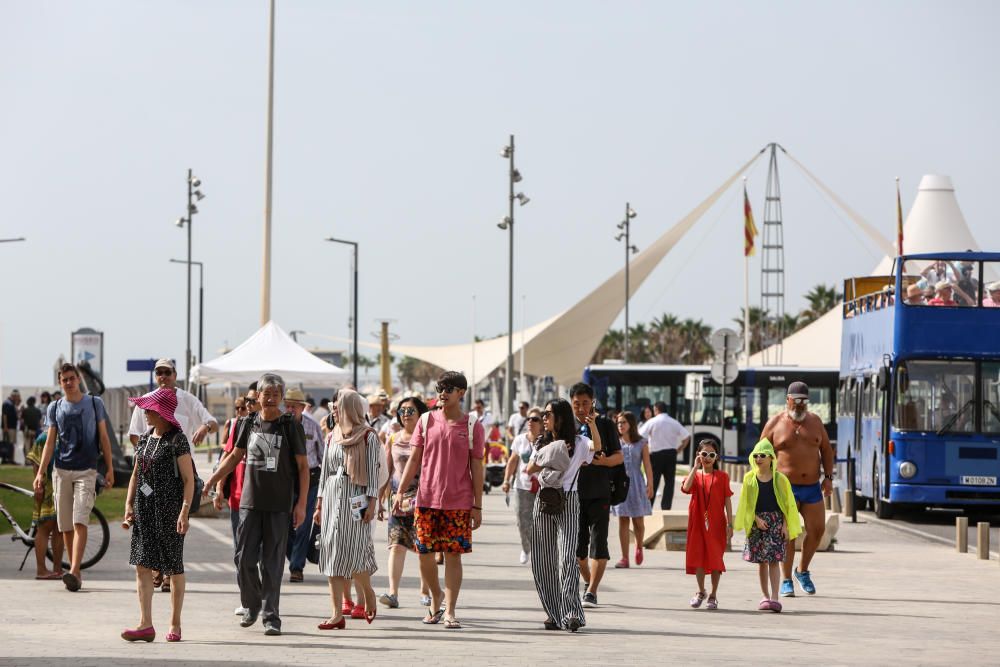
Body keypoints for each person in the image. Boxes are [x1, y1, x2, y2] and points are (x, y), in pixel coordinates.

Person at [203, 373, 309, 637]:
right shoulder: (246, 423)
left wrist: (301, 504)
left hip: (279, 505)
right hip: (249, 503)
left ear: (282, 397)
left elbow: (303, 466)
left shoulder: (290, 425)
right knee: (243, 558)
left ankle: (271, 616)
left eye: (276, 394)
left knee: (272, 563)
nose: (271, 398)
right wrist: (213, 480)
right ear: (258, 397)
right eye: (266, 393)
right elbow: (234, 456)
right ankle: (251, 604)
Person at [392, 371, 485, 630]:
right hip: (426, 498)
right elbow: (414, 459)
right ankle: (436, 597)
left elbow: (477, 467)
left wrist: (477, 505)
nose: (442, 393)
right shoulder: (425, 421)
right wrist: (400, 490)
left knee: (453, 555)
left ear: (461, 393)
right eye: (439, 388)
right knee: (424, 554)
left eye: (449, 388)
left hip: (459, 501)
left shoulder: (472, 425)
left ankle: (451, 611)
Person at [121, 388, 195, 642]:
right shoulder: (144, 439)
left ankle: (175, 624)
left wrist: (184, 511)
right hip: (144, 510)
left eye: (149, 408)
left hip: (170, 511)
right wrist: (129, 504)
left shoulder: (177, 440)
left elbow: (188, 480)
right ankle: (145, 624)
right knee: (142, 565)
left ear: (161, 412)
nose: (144, 412)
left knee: (173, 566)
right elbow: (136, 475)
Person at [33, 363, 115, 592]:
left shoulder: (94, 403)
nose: (68, 383)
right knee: (66, 525)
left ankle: (75, 570)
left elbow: (104, 437)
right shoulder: (55, 407)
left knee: (80, 520)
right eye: (64, 380)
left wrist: (109, 468)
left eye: (71, 378)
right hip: (61, 471)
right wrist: (41, 472)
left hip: (86, 470)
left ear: (78, 379)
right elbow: (50, 442)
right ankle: (74, 571)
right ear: (60, 383)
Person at [760, 381, 835, 598]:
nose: (800, 405)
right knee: (788, 534)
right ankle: (785, 580)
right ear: (788, 400)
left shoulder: (815, 422)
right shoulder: (775, 423)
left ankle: (802, 571)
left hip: (811, 486)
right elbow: (759, 454)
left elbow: (827, 451)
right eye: (796, 400)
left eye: (804, 401)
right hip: (785, 487)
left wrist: (828, 478)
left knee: (818, 530)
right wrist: (763, 482)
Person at [314, 389, 380, 630]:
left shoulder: (368, 437)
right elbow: (324, 473)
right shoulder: (332, 436)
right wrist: (319, 503)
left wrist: (372, 502)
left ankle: (367, 593)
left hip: (357, 496)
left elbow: (373, 473)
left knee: (356, 550)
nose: (334, 410)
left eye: (339, 406)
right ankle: (336, 614)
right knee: (331, 552)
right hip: (332, 495)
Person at [525, 398, 592, 632]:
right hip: (545, 498)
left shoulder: (581, 442)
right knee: (543, 561)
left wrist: (592, 426)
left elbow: (597, 450)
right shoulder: (541, 442)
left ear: (561, 417)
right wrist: (552, 451)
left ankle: (572, 612)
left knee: (566, 559)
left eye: (548, 414)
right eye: (543, 414)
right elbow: (530, 468)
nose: (544, 418)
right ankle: (554, 612)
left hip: (569, 499)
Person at [568, 382, 620, 609]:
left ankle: (591, 591)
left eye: (585, 403)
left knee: (599, 543)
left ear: (593, 403)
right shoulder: (565, 426)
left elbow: (618, 457)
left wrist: (604, 461)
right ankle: (590, 583)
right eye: (577, 404)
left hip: (600, 492)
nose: (581, 408)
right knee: (579, 549)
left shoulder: (606, 424)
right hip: (573, 494)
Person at [734, 439, 802, 612]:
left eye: (762, 455)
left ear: (771, 458)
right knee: (761, 562)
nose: (758, 458)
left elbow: (787, 505)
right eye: (755, 455)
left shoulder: (780, 479)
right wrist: (756, 519)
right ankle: (764, 596)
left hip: (776, 522)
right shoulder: (749, 478)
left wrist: (785, 526)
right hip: (757, 523)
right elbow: (747, 504)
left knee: (774, 560)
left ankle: (774, 598)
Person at [378, 396, 431, 608]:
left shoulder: (428, 438)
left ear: (420, 414)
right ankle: (392, 593)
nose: (405, 415)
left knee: (424, 548)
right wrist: (380, 498)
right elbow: (387, 470)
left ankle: (425, 591)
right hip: (398, 501)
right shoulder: (393, 438)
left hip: (424, 499)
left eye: (410, 411)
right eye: (402, 411)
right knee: (396, 546)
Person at [681, 439, 733, 610]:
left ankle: (713, 594)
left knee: (716, 559)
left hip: (717, 523)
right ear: (698, 455)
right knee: (699, 557)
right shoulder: (695, 475)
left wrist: (730, 524)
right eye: (704, 454)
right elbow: (686, 488)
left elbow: (727, 500)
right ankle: (700, 591)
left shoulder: (723, 476)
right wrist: (695, 467)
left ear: (716, 457)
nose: (707, 458)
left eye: (711, 454)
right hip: (697, 521)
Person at [284, 387, 325, 583]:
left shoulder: (312, 425)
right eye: (288, 405)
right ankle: (295, 556)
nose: (290, 409)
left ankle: (296, 567)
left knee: (302, 524)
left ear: (302, 407)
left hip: (310, 478)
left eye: (294, 406)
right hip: (285, 479)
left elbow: (322, 456)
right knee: (284, 525)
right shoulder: (279, 425)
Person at [611, 411, 653, 569]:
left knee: (638, 520)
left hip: (636, 483)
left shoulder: (642, 443)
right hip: (620, 484)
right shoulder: (615, 442)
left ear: (631, 424)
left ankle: (639, 547)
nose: (620, 425)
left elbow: (648, 465)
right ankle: (624, 558)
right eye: (618, 423)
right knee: (622, 519)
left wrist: (650, 484)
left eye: (623, 422)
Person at [502, 406, 543, 565]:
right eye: (529, 419)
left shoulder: (547, 440)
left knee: (539, 522)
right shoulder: (520, 439)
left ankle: (539, 550)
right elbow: (512, 461)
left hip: (542, 487)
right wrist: (506, 480)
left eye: (535, 419)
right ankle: (526, 548)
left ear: (542, 423)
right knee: (522, 521)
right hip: (522, 487)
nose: (531, 422)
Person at [639, 401, 690, 511]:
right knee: (669, 483)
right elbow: (686, 437)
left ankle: (648, 506)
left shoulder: (652, 421)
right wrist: (679, 450)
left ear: (656, 409)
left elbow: (640, 435)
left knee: (652, 481)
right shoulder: (674, 422)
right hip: (671, 454)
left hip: (655, 455)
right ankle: (666, 508)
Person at [26, 431, 64, 580]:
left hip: (61, 487)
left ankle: (57, 569)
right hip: (48, 488)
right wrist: (39, 484)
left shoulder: (64, 435)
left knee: (59, 529)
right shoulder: (44, 437)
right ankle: (41, 569)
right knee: (45, 527)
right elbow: (35, 463)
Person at [21, 395, 43, 463]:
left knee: (27, 446)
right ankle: (34, 460)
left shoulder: (25, 410)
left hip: (27, 430)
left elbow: (22, 421)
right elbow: (40, 422)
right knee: (34, 446)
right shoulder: (38, 410)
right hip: (36, 430)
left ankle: (27, 461)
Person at [2, 389, 19, 454]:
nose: (17, 398)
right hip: (9, 427)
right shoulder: (7, 403)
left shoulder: (12, 403)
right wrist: (5, 427)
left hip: (12, 427)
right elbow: (5, 415)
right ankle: (8, 458)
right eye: (17, 396)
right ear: (14, 396)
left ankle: (10, 459)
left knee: (10, 443)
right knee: (9, 444)